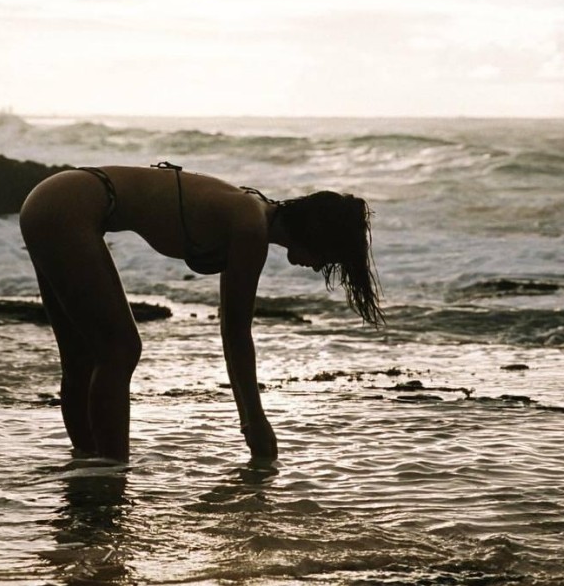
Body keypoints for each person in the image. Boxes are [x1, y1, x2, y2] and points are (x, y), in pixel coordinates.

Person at [20, 161, 381, 463]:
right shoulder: (250, 226)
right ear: (318, 235)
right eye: (329, 257)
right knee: (120, 350)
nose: (321, 268)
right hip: (69, 205)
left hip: (53, 198)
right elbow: (237, 334)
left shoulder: (252, 212)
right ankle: (110, 475)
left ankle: (87, 465)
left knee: (83, 358)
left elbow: (230, 329)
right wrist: (256, 423)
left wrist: (249, 420)